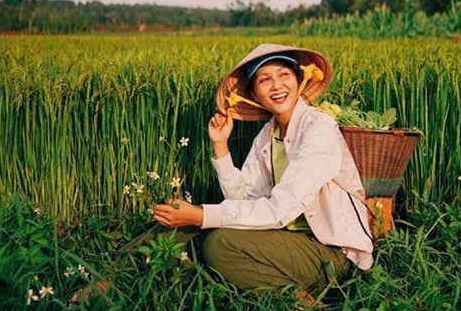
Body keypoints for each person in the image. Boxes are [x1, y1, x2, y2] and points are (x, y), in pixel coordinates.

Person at [153, 43, 374, 294]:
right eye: (264, 80)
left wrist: (202, 215)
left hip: (332, 252)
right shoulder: (268, 135)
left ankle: (296, 300)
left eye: (284, 75)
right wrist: (220, 145)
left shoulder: (318, 129)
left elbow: (280, 209)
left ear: (299, 81)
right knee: (176, 229)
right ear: (255, 94)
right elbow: (244, 198)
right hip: (286, 239)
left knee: (219, 244)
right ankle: (114, 276)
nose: (276, 85)